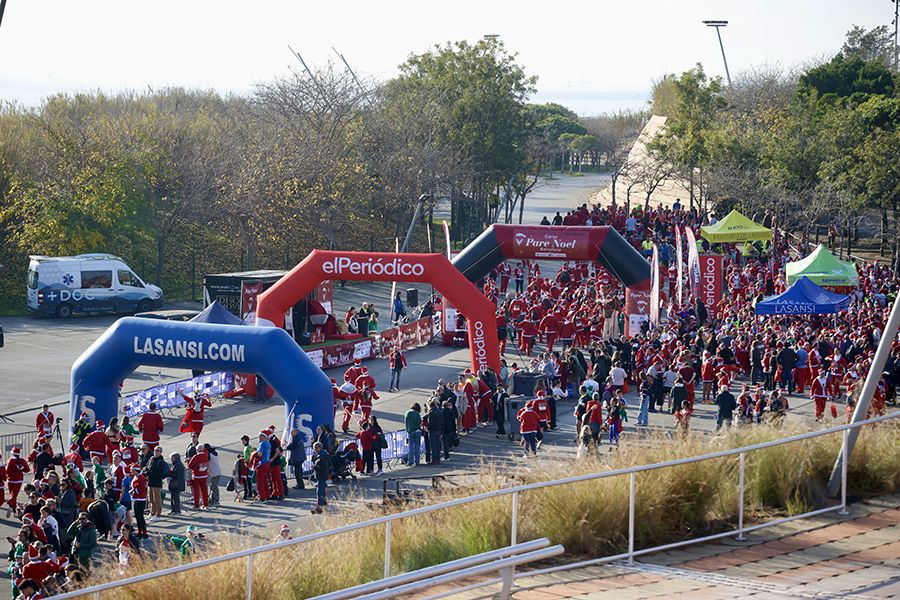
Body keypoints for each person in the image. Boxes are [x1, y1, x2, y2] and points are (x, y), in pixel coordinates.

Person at [146, 447, 167, 519]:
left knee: (157, 499)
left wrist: (150, 473)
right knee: (150, 498)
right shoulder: (151, 458)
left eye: (157, 451)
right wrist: (145, 471)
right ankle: (152, 512)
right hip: (150, 482)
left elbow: (159, 473)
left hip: (156, 482)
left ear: (161, 452)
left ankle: (158, 514)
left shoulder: (161, 461)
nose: (155, 452)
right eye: (154, 450)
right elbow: (147, 466)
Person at [187, 445, 209, 509]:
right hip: (204, 475)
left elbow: (190, 466)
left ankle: (197, 505)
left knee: (196, 491)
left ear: (197, 450)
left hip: (196, 476)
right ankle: (206, 504)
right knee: (204, 490)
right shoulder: (206, 455)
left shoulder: (196, 456)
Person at [311, 442, 329, 514]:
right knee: (323, 490)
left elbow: (323, 467)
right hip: (321, 475)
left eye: (315, 448)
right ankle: (324, 504)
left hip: (322, 475)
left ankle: (319, 507)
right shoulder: (321, 455)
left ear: (319, 448)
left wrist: (315, 467)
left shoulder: (323, 456)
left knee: (319, 491)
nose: (314, 450)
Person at [424, 400, 444, 465]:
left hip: (432, 431)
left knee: (433, 446)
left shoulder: (431, 413)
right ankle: (438, 459)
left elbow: (430, 423)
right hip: (439, 430)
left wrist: (427, 428)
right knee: (438, 445)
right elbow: (442, 421)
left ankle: (434, 459)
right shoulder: (440, 412)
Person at [255, 431, 271, 503]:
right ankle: (267, 496)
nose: (259, 437)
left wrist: (255, 454)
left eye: (260, 436)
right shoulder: (268, 443)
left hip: (262, 464)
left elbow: (260, 454)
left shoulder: (262, 444)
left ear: (263, 436)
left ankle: (262, 497)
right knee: (265, 481)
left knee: (260, 482)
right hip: (267, 463)